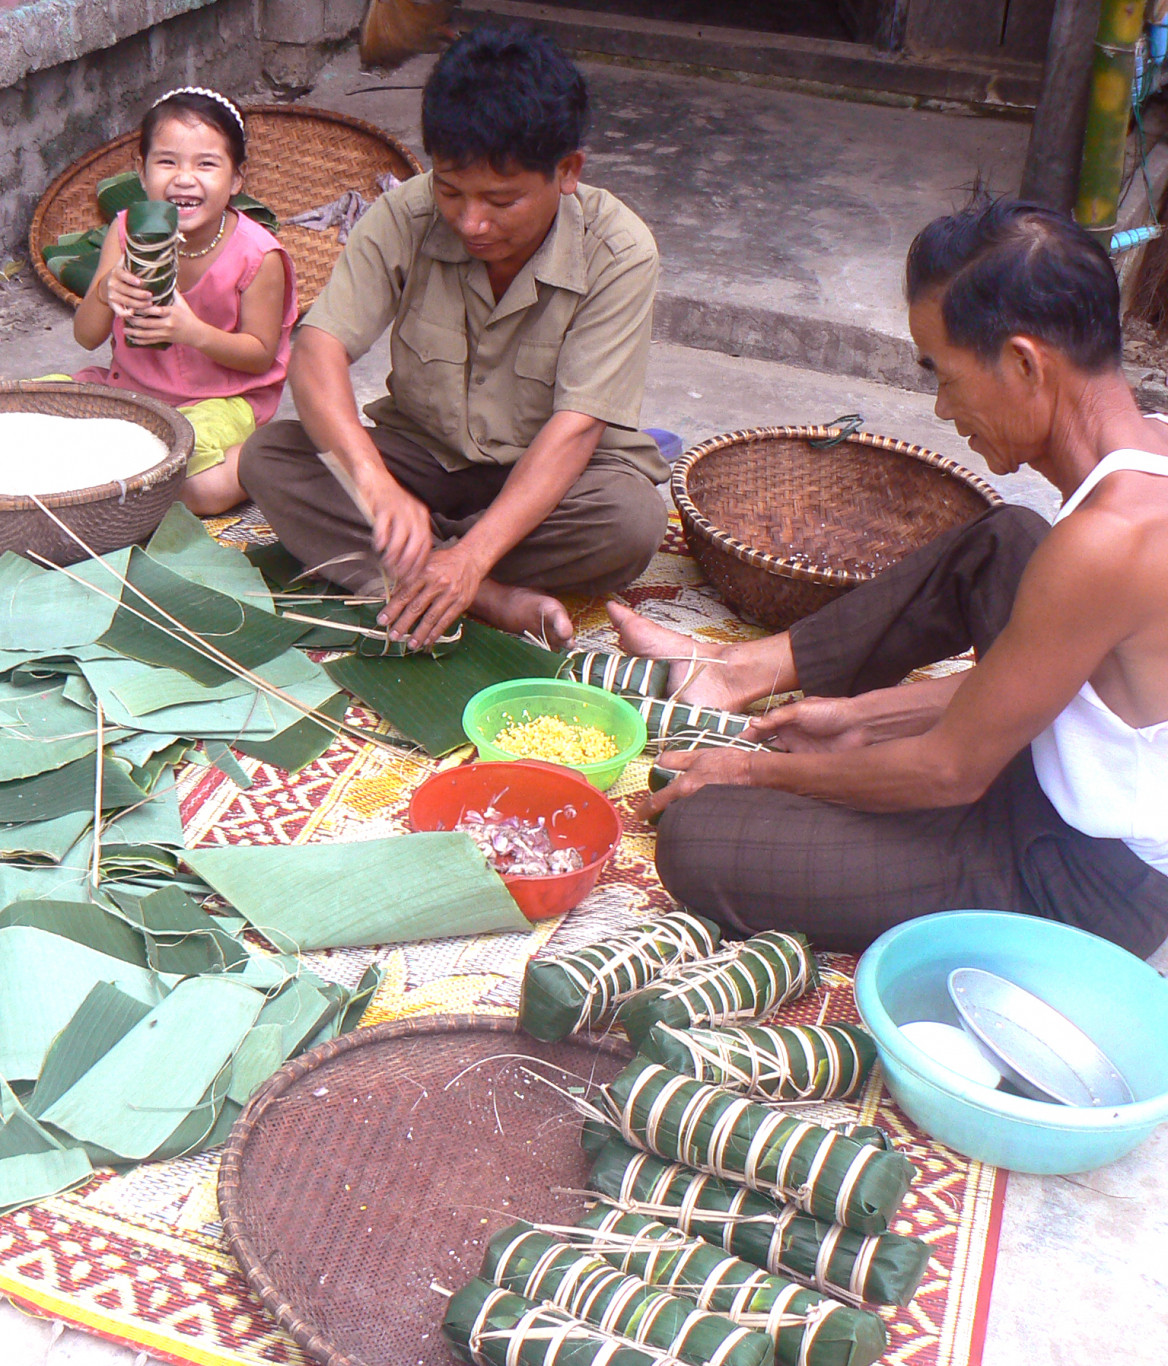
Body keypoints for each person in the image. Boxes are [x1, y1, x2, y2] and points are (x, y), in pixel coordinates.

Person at [612, 196, 1168, 960]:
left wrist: (751, 775)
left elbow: (949, 772)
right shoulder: (1151, 458)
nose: (941, 408)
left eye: (944, 374)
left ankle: (749, 713)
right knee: (1007, 539)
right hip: (1049, 781)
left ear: (1023, 363)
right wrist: (874, 717)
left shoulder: (1106, 542)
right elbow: (1073, 679)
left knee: (699, 836)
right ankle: (734, 669)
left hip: (1082, 881)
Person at [238, 25, 667, 653]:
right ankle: (490, 596)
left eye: (502, 199)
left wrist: (471, 553)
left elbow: (577, 428)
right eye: (451, 190)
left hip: (552, 480)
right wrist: (375, 486)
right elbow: (316, 350)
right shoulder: (404, 216)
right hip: (426, 460)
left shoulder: (620, 250)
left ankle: (434, 567)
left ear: (567, 171)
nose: (471, 221)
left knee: (631, 522)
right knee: (270, 459)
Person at [72, 88, 297, 516]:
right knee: (31, 420)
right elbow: (86, 337)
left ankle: (259, 456)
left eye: (207, 164)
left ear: (236, 178)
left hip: (220, 401)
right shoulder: (126, 233)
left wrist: (192, 333)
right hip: (131, 392)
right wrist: (105, 291)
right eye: (167, 161)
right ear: (141, 170)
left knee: (198, 488)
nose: (184, 178)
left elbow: (261, 356)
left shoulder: (257, 255)